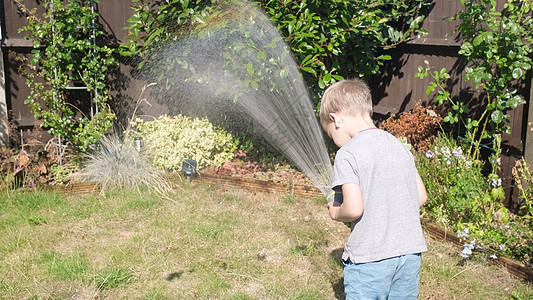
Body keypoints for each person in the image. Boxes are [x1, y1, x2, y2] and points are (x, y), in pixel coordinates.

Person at [320, 79, 428, 299]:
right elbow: (420, 197)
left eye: (331, 134)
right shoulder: (398, 145)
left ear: (335, 118)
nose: (335, 141)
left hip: (370, 258)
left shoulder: (348, 153)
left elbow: (353, 209)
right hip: (409, 254)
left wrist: (335, 210)